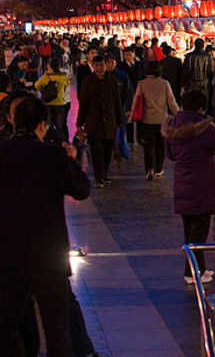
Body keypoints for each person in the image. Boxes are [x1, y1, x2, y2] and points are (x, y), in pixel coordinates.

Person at [0, 97, 90, 356]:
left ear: (13, 120)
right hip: (47, 258)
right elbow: (81, 190)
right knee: (57, 333)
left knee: (6, 329)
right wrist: (72, 159)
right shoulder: (53, 155)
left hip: (7, 257)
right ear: (43, 125)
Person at [164, 90, 215, 284]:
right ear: (201, 107)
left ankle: (199, 268)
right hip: (201, 184)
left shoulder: (173, 125)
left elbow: (170, 154)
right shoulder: (203, 127)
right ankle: (192, 272)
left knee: (190, 229)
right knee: (199, 230)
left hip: (182, 183)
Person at [77, 55, 124, 188]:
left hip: (109, 121)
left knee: (108, 150)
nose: (99, 68)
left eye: (101, 65)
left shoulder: (112, 81)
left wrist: (120, 119)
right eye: (96, 65)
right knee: (97, 151)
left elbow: (117, 102)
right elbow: (84, 103)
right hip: (93, 122)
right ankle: (99, 177)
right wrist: (80, 122)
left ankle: (104, 175)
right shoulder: (88, 81)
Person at [131, 61, 179, 180]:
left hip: (147, 119)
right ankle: (159, 169)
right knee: (160, 145)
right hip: (161, 119)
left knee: (149, 146)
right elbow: (171, 102)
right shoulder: (164, 84)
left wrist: (131, 117)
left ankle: (149, 169)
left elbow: (136, 102)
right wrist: (179, 114)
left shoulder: (142, 84)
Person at [34, 57, 71, 138]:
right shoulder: (63, 75)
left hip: (48, 102)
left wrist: (43, 91)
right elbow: (67, 84)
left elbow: (37, 85)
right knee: (60, 126)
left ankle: (50, 141)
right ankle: (61, 141)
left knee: (49, 125)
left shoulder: (47, 76)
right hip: (60, 103)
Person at [182, 38, 215, 105]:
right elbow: (211, 72)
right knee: (203, 103)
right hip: (204, 84)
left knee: (192, 102)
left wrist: (183, 83)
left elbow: (185, 71)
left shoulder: (189, 56)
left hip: (192, 83)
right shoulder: (208, 57)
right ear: (203, 45)